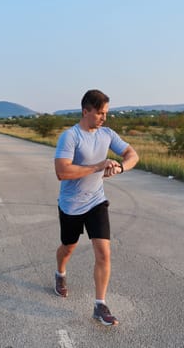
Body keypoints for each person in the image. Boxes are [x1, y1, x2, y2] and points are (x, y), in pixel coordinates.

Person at [54, 89, 139, 326]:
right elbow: (62, 172)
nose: (104, 118)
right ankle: (60, 273)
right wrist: (98, 166)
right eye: (100, 113)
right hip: (71, 205)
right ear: (86, 111)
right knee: (68, 247)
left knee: (104, 252)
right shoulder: (70, 136)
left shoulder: (107, 134)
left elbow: (133, 155)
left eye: (106, 113)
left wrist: (121, 167)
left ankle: (100, 304)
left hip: (96, 202)